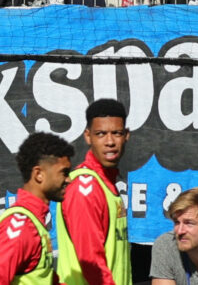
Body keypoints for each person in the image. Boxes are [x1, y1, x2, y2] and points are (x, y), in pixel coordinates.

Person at [57, 100, 133, 285]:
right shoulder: (85, 188)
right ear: (88, 136)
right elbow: (92, 263)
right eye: (101, 134)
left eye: (116, 133)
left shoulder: (106, 183)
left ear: (126, 136)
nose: (109, 142)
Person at [0, 134, 72, 285]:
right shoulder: (21, 226)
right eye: (64, 173)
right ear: (39, 174)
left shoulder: (34, 220)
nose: (68, 179)